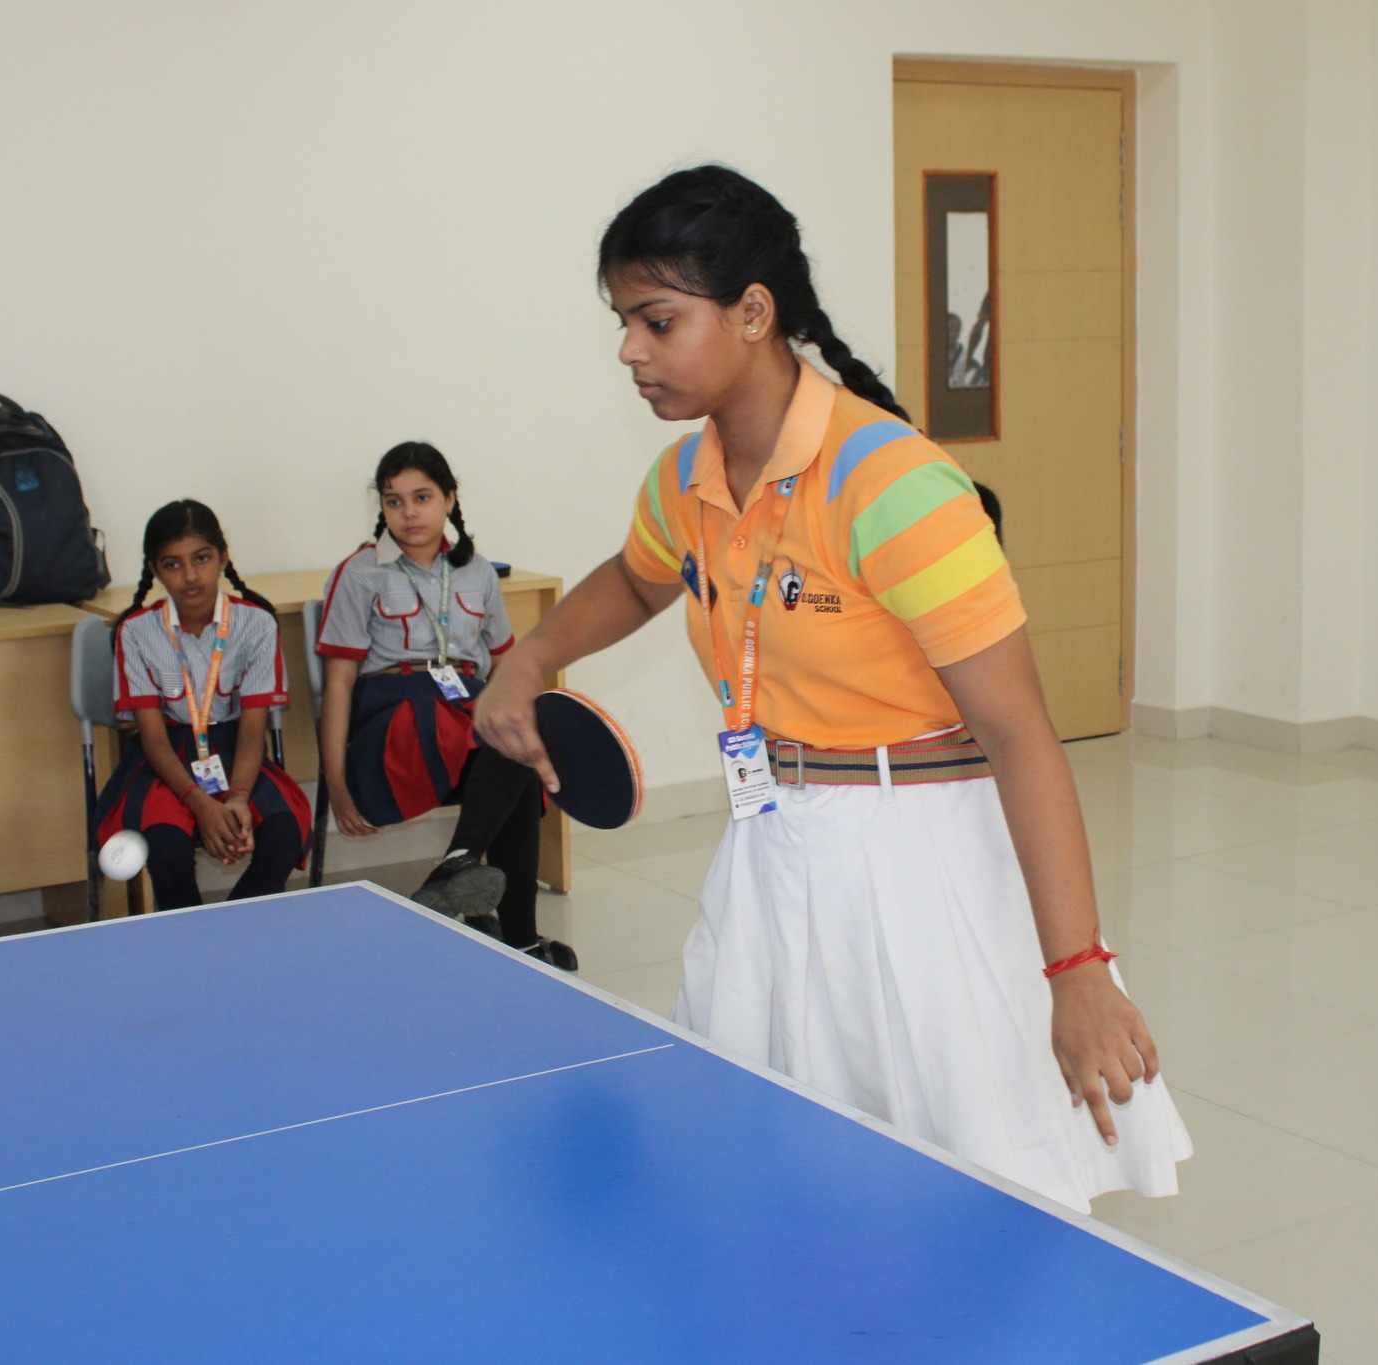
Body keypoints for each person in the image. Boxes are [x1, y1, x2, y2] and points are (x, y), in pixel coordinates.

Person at [474, 165, 1189, 1212]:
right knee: (776, 1162)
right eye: (623, 322)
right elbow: (633, 579)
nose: (629, 350)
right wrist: (530, 657)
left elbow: (1020, 732)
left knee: (965, 1188)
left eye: (657, 321)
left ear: (752, 313)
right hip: (771, 838)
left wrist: (1077, 967)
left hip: (920, 853)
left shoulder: (893, 484)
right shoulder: (683, 480)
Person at [315, 442, 575, 969]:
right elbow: (338, 684)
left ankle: (486, 898)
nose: (409, 513)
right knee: (488, 736)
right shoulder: (360, 572)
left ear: (450, 499)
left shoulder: (478, 572)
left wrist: (519, 717)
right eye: (394, 501)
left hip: (462, 710)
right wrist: (336, 783)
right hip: (395, 715)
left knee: (516, 743)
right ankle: (502, 916)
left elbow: (507, 666)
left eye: (422, 497)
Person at [94, 500, 311, 910]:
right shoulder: (136, 631)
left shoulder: (257, 623)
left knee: (284, 834)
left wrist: (238, 797)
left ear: (223, 558)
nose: (190, 576)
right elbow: (152, 738)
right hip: (165, 759)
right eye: (172, 564)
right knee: (166, 848)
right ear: (155, 570)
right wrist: (200, 804)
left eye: (202, 559)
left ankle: (228, 935)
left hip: (236, 750)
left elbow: (253, 729)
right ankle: (190, 938)